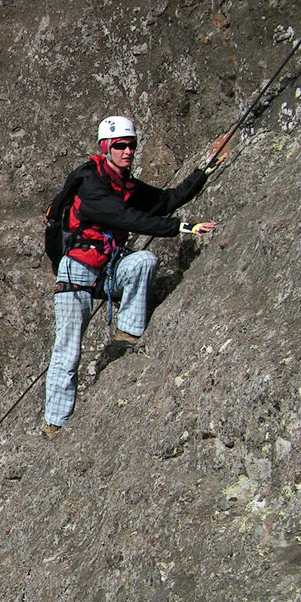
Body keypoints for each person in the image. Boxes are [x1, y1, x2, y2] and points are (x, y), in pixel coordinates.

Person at [42, 116, 217, 439]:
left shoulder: (125, 185)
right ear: (105, 148)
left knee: (144, 261)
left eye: (131, 145)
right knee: (68, 352)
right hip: (76, 273)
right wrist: (181, 227)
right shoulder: (92, 186)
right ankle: (55, 424)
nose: (128, 151)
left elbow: (165, 201)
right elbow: (125, 218)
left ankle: (128, 335)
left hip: (107, 269)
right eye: (120, 146)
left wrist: (203, 171)